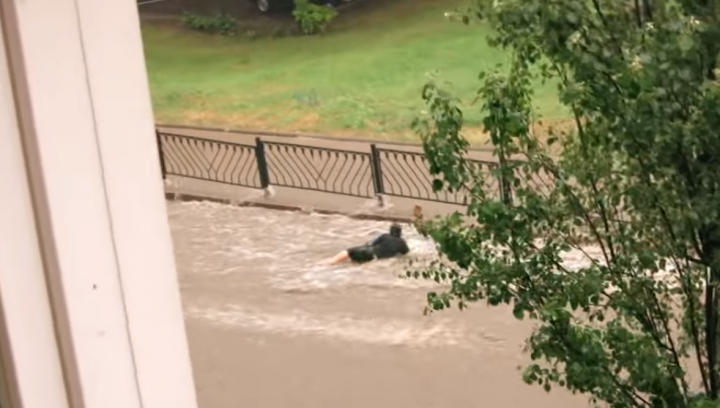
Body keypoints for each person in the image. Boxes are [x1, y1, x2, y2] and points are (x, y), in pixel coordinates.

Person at [322, 223, 410, 265]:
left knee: (349, 252)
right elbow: (406, 254)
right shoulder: (402, 243)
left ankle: (332, 261)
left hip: (368, 252)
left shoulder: (385, 236)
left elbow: (370, 243)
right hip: (375, 258)